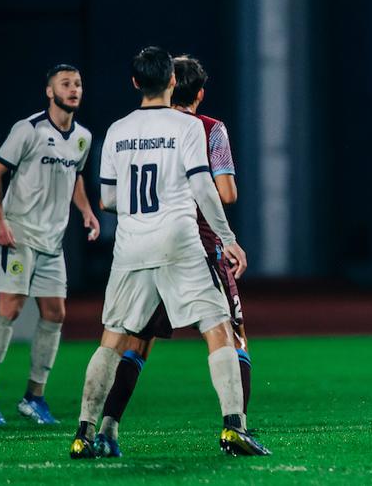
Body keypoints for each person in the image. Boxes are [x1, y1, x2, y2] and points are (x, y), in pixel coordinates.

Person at [68, 47, 267, 458]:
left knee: (112, 340)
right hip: (179, 241)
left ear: (135, 82)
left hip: (131, 245)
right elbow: (203, 188)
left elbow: (106, 198)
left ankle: (84, 434)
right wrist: (228, 239)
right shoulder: (190, 127)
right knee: (219, 329)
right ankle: (234, 427)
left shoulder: (118, 129)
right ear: (172, 82)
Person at [0, 64, 100, 426]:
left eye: (77, 83)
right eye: (66, 83)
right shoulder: (28, 130)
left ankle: (34, 396)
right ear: (50, 91)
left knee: (55, 313)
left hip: (52, 240)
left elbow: (74, 176)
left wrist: (86, 211)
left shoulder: (83, 138)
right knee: (10, 309)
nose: (73, 89)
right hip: (20, 234)